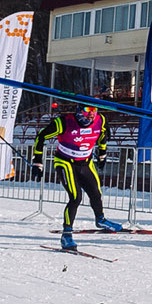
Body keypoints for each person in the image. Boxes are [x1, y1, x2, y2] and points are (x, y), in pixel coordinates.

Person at [35, 100, 117, 248]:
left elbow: (103, 135)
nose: (92, 113)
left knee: (96, 193)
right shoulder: (64, 122)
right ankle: (66, 235)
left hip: (85, 161)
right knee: (75, 197)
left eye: (94, 109)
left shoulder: (100, 119)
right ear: (80, 109)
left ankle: (101, 219)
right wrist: (37, 162)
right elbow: (41, 136)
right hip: (65, 162)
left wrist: (102, 155)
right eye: (88, 109)